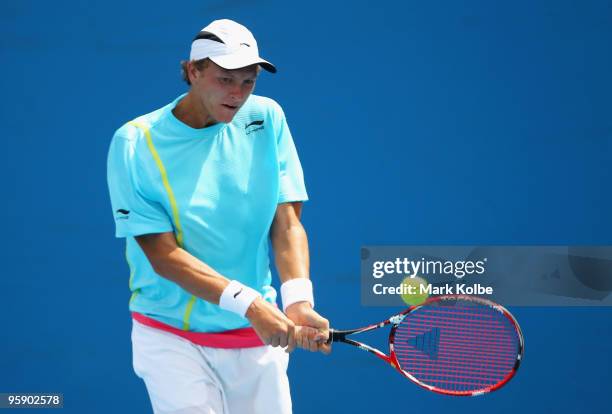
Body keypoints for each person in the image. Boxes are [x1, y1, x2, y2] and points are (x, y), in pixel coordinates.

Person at [107, 18, 330, 414]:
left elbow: (287, 222)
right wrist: (250, 304)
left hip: (254, 338)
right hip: (171, 337)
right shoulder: (135, 142)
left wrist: (297, 300)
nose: (238, 93)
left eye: (249, 81)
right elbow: (162, 255)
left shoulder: (268, 118)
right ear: (193, 71)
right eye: (225, 79)